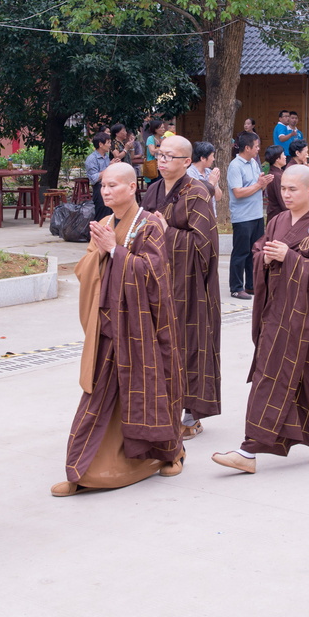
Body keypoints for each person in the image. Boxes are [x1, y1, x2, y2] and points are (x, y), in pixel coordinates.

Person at [52, 162, 185, 497]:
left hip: (144, 328)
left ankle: (170, 452)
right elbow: (84, 271)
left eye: (113, 185)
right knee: (99, 396)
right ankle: (83, 469)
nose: (106, 191)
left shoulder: (150, 225)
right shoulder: (105, 224)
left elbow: (154, 275)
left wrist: (115, 250)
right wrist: (101, 251)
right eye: (103, 186)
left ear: (131, 187)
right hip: (110, 327)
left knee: (153, 388)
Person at [211, 165, 309, 474]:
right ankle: (249, 450)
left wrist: (291, 258)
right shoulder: (278, 221)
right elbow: (259, 251)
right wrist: (266, 258)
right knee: (267, 377)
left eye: (292, 189)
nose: (286, 194)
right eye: (283, 189)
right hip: (278, 316)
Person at [142, 136, 222, 439]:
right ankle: (161, 408)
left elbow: (206, 245)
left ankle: (191, 415)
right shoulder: (153, 190)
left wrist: (167, 233)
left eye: (169, 157)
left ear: (187, 161)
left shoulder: (197, 193)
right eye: (160, 155)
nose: (162, 161)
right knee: (157, 346)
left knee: (190, 344)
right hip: (156, 280)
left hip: (190, 286)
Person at [227, 131, 274, 300]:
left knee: (255, 252)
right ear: (247, 147)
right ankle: (236, 287)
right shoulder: (235, 166)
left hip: (256, 214)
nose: (258, 149)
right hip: (242, 217)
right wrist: (259, 185)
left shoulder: (254, 163)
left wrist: (263, 183)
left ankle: (252, 285)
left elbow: (257, 186)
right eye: (256, 146)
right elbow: (238, 192)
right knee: (241, 253)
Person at [186, 140, 220, 216]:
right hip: (197, 216)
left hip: (211, 215)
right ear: (203, 158)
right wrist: (211, 183)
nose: (213, 159)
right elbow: (199, 197)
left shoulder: (210, 172)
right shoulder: (189, 174)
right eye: (212, 156)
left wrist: (216, 183)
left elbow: (218, 198)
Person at [85, 130, 113, 221]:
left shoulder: (106, 156)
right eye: (108, 143)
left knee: (110, 213)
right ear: (100, 144)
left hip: (109, 186)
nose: (110, 145)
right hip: (99, 188)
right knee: (101, 214)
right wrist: (109, 167)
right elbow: (94, 178)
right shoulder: (92, 159)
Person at [261, 144, 287, 222]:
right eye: (283, 155)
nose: (285, 157)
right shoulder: (276, 176)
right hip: (278, 217)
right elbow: (282, 199)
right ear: (277, 159)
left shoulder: (278, 173)